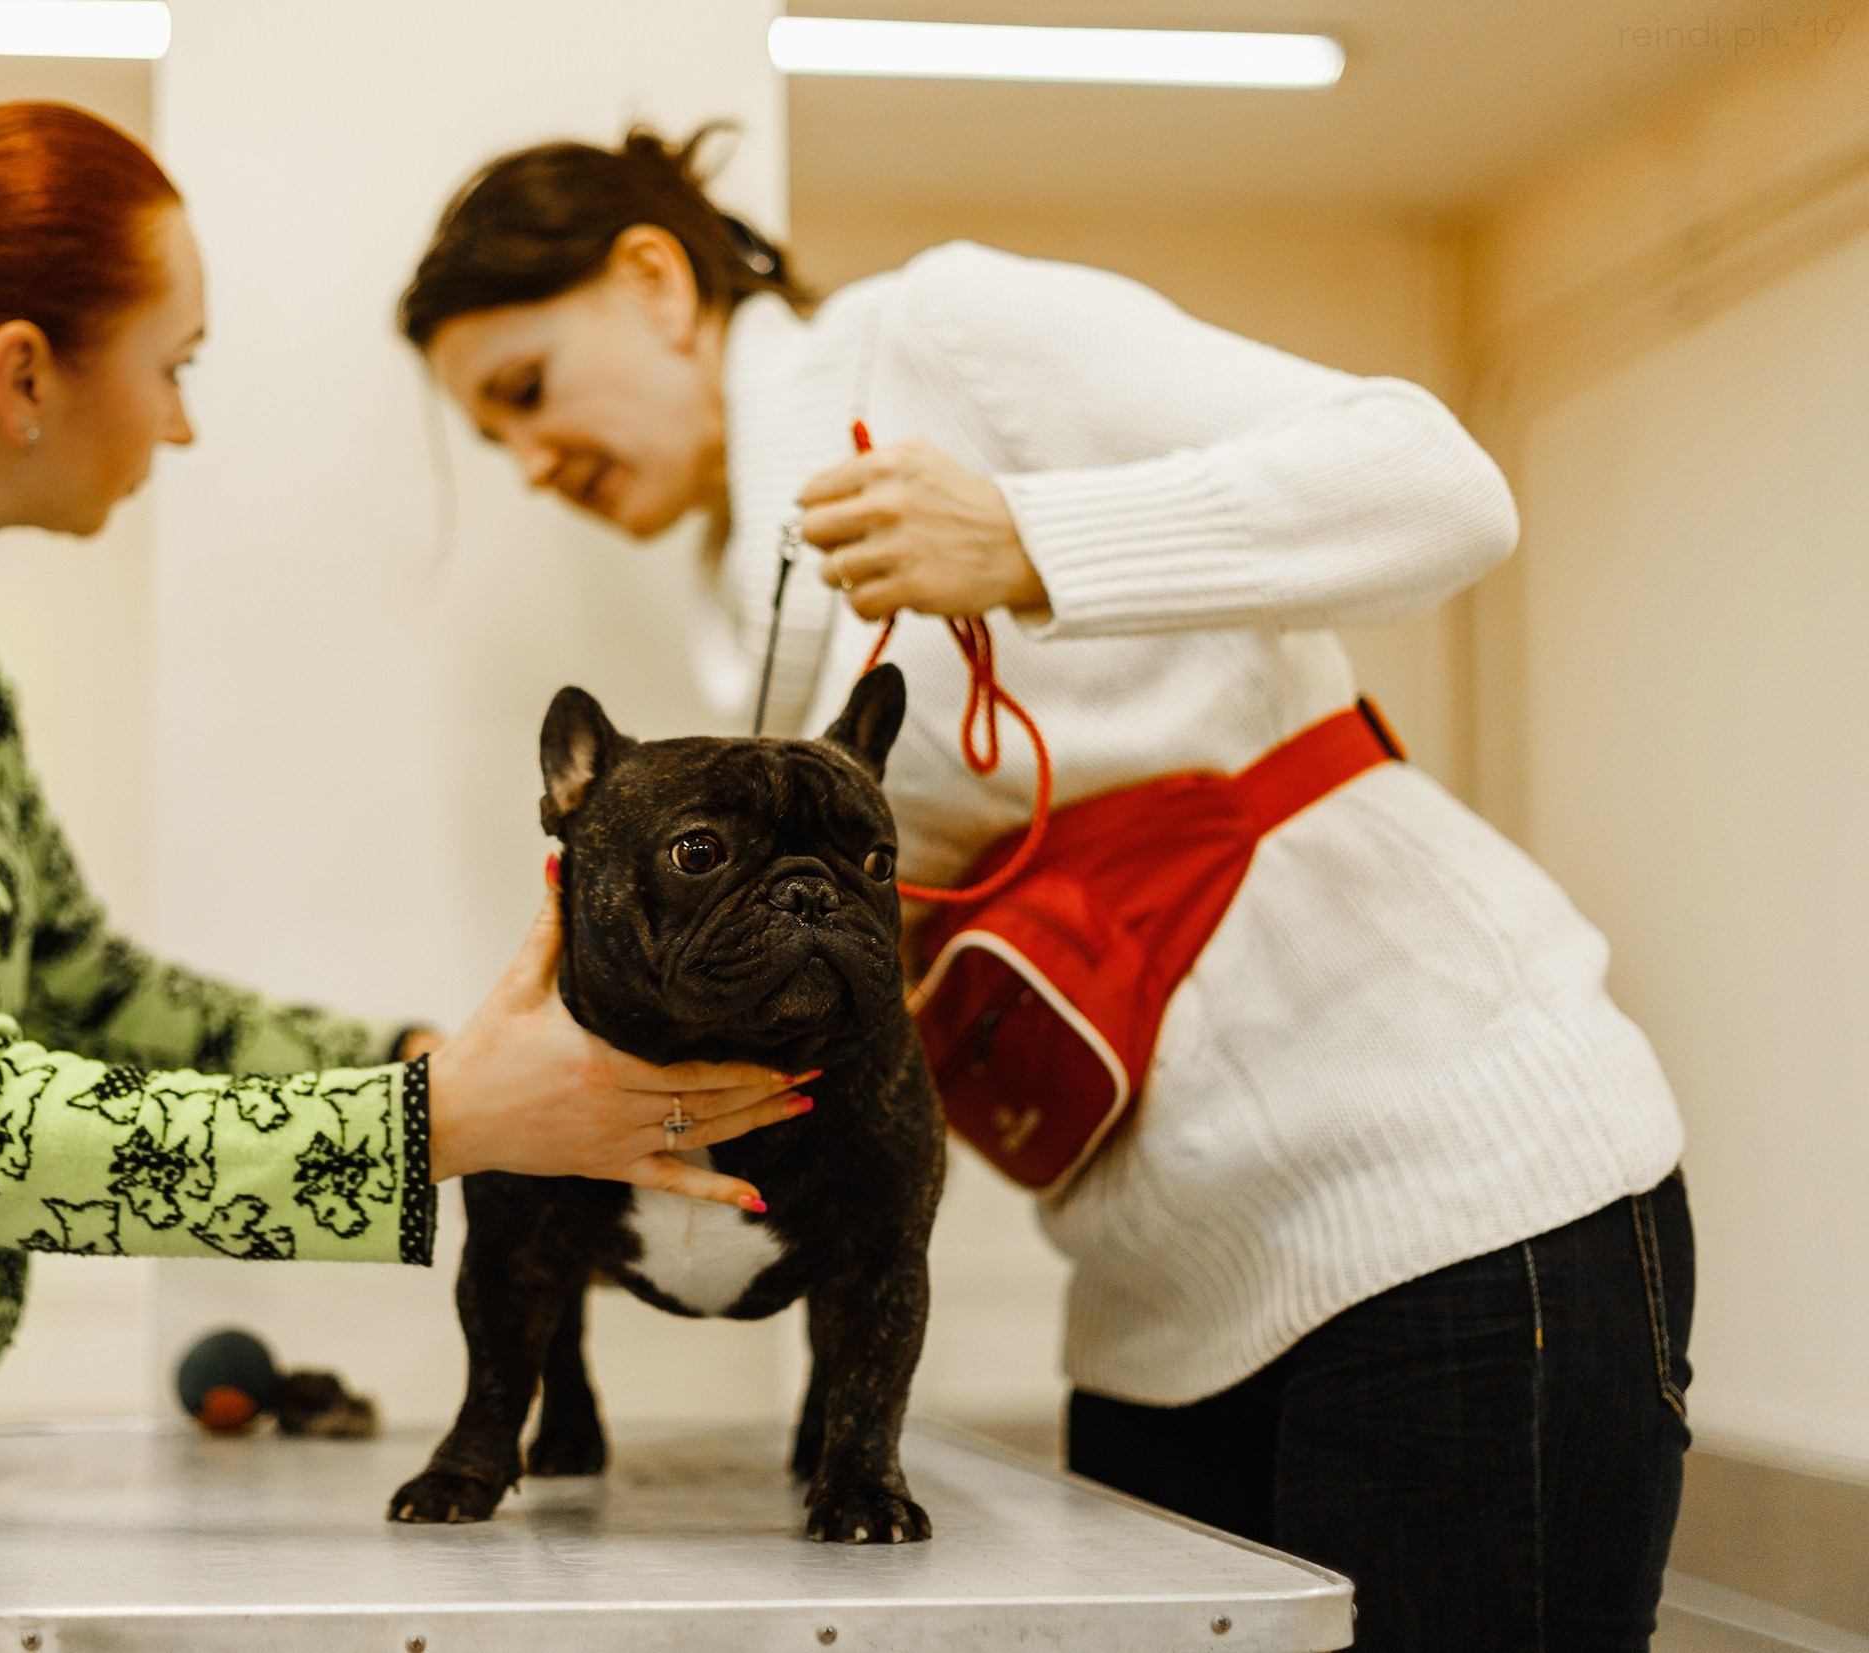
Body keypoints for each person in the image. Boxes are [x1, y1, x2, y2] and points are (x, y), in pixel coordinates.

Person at [0, 103, 809, 1653]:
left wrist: (419, 1064)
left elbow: (79, 989)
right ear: (26, 371)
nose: (179, 425)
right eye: (174, 367)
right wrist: (447, 1125)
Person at [400, 126, 1695, 1651]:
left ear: (652, 281)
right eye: (494, 444)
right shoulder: (730, 597)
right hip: (1163, 1285)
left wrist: (1034, 537)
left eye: (527, 394)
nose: (532, 464)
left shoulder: (942, 331)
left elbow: (1441, 483)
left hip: (1448, 1184)